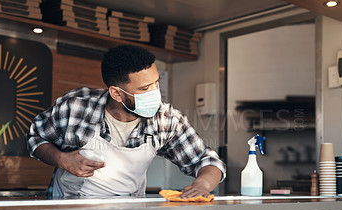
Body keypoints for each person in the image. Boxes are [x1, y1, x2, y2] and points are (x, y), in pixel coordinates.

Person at [27, 45, 226, 198]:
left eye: (156, 83)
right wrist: (62, 159)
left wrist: (203, 184)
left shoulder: (166, 120)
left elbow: (207, 160)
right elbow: (36, 139)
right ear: (116, 93)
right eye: (144, 88)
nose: (155, 93)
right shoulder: (76, 108)